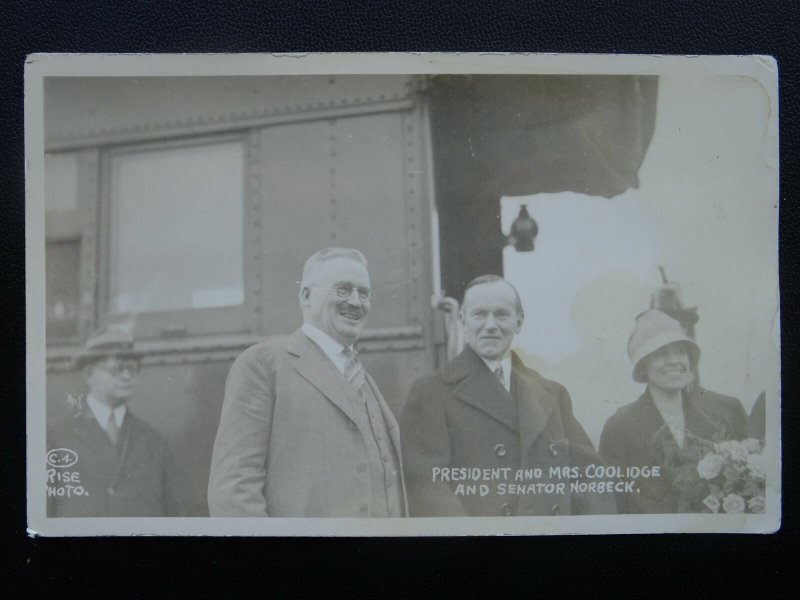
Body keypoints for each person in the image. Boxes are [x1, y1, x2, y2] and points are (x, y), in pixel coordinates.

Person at [208, 248, 406, 517]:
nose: (357, 302)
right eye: (343, 290)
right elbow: (234, 490)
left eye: (364, 292)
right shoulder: (263, 364)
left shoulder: (365, 380)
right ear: (306, 296)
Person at [401, 275, 615, 517]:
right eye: (479, 314)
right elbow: (427, 487)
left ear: (519, 322)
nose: (490, 325)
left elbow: (592, 478)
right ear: (463, 320)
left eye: (502, 314)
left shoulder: (552, 393)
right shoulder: (431, 391)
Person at [599, 309, 748, 513]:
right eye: (660, 354)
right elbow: (612, 505)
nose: (674, 361)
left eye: (679, 351)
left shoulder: (723, 415)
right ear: (643, 367)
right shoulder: (620, 426)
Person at [46, 324, 179, 517]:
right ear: (89, 374)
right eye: (118, 369)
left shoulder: (155, 441)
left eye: (132, 370)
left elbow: (172, 514)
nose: (127, 377)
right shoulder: (56, 436)